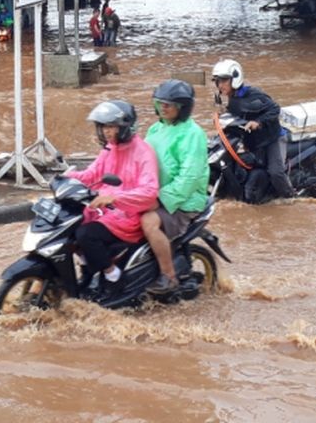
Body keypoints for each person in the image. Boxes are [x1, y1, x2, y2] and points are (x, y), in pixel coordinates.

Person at [63, 100, 159, 292]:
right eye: (103, 126)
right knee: (70, 226)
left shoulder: (143, 152)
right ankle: (87, 267)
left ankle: (113, 274)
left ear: (124, 127)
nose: (106, 131)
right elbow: (92, 175)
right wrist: (65, 177)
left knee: (85, 234)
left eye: (111, 126)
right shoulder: (110, 148)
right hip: (104, 209)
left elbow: (150, 191)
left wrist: (116, 199)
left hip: (126, 214)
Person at [142, 80, 209, 295]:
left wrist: (161, 199)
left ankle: (168, 276)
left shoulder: (193, 134)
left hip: (183, 200)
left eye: (168, 105)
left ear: (182, 107)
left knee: (149, 223)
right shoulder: (155, 128)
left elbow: (189, 176)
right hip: (153, 194)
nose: (163, 108)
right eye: (159, 103)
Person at [212, 58, 293, 199]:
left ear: (235, 78)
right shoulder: (233, 98)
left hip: (272, 139)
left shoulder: (253, 94)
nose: (220, 85)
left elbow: (275, 109)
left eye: (224, 80)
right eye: (218, 81)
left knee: (275, 172)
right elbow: (238, 116)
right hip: (254, 141)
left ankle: (291, 198)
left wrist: (258, 122)